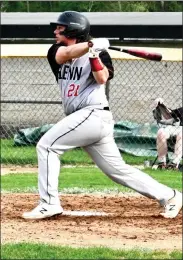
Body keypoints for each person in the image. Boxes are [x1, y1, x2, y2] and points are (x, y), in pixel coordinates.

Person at [22, 11, 182, 220]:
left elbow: (101, 78)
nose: (55, 31)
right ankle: (171, 196)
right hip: (84, 120)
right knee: (117, 171)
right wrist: (90, 46)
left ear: (73, 29)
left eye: (60, 28)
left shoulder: (99, 53)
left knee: (47, 146)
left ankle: (49, 203)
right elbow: (66, 55)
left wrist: (95, 55)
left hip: (93, 115)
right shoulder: (56, 50)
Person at [153, 98, 183, 170]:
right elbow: (169, 116)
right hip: (178, 127)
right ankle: (162, 163)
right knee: (161, 132)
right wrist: (161, 105)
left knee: (181, 133)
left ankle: (175, 164)